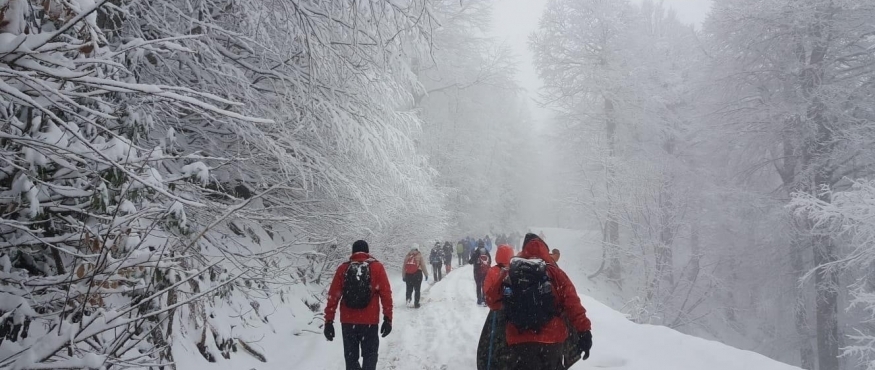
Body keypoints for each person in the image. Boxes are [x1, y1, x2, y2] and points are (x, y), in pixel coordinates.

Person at [485, 234, 592, 370]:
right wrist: (584, 331)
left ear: (524, 250)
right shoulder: (555, 273)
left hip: (519, 341)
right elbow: (573, 305)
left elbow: (492, 301)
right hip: (552, 341)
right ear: (545, 250)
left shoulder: (511, 272)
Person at [323, 240, 393, 370]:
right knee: (370, 357)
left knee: (351, 359)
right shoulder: (377, 267)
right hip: (370, 322)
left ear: (352, 252)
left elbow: (333, 296)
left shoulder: (343, 268)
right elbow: (386, 295)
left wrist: (329, 321)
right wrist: (388, 318)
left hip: (348, 322)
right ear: (367, 252)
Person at [469, 240, 492, 306]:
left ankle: (479, 299)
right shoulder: (486, 252)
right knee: (484, 285)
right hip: (485, 271)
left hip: (477, 271)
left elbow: (470, 261)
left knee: (478, 285)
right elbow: (490, 261)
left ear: (478, 245)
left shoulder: (476, 252)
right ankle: (484, 298)